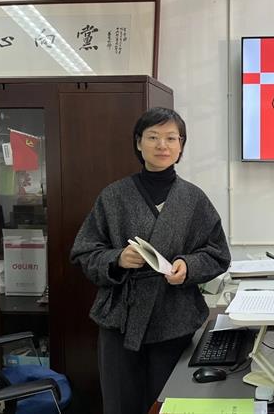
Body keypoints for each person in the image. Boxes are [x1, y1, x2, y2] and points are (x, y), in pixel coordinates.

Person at [70, 107, 231, 414]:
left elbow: (218, 253)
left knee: (170, 405)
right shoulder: (113, 196)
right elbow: (84, 252)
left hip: (175, 319)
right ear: (138, 142)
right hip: (120, 321)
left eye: (171, 138)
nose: (162, 145)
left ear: (181, 145)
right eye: (153, 137)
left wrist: (188, 266)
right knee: (121, 405)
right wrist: (117, 258)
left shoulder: (194, 199)